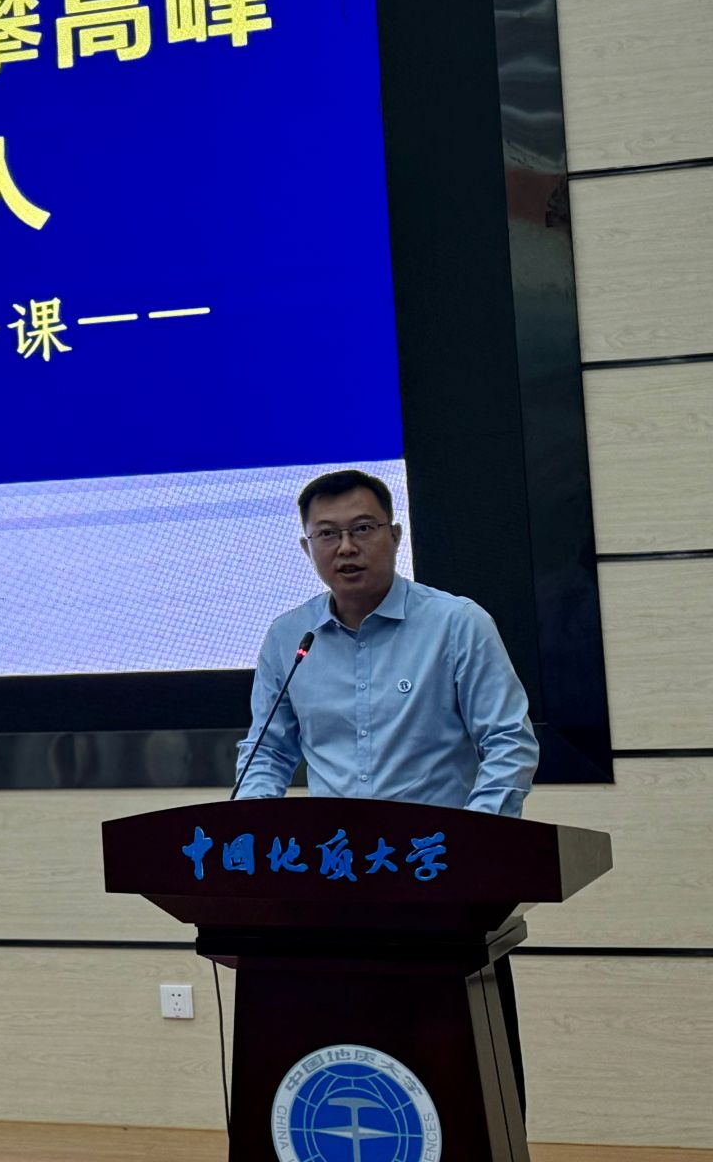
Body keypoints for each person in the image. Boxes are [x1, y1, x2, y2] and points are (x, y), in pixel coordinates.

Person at [235, 467, 540, 1109]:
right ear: (307, 547)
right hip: (331, 887)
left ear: (395, 536)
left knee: (458, 1079)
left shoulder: (457, 624)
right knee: (336, 1061)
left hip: (439, 884)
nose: (346, 548)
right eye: (327, 534)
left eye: (363, 529)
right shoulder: (291, 637)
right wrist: (247, 839)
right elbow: (266, 752)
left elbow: (508, 742)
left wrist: (474, 849)